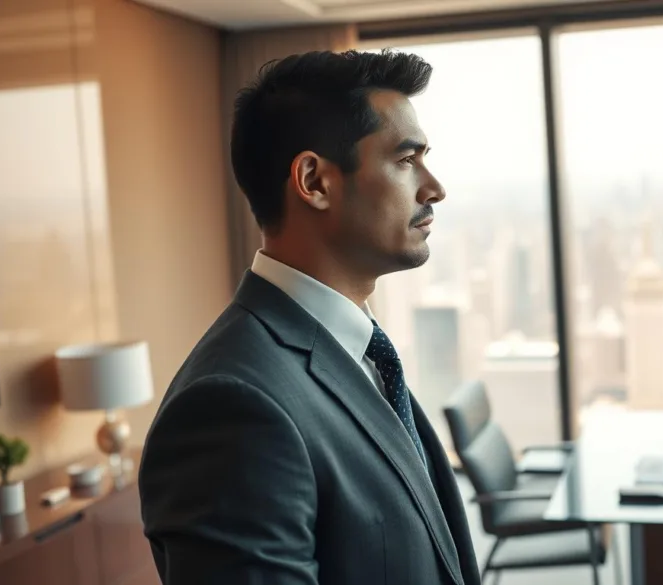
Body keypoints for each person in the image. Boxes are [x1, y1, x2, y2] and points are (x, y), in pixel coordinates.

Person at [138, 49, 481, 585]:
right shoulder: (232, 406)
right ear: (314, 181)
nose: (434, 187)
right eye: (406, 160)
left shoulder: (360, 352)